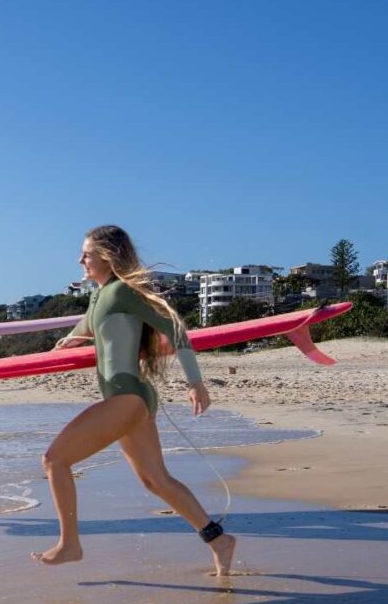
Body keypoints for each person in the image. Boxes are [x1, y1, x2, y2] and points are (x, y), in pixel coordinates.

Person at [33, 225, 236, 575]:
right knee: (155, 480)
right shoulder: (100, 295)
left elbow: (176, 329)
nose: (80, 259)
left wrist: (195, 382)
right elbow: (87, 326)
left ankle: (70, 544)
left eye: (87, 253)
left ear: (107, 256)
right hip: (131, 400)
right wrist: (71, 340)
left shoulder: (123, 291)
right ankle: (218, 539)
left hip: (127, 398)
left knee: (54, 461)